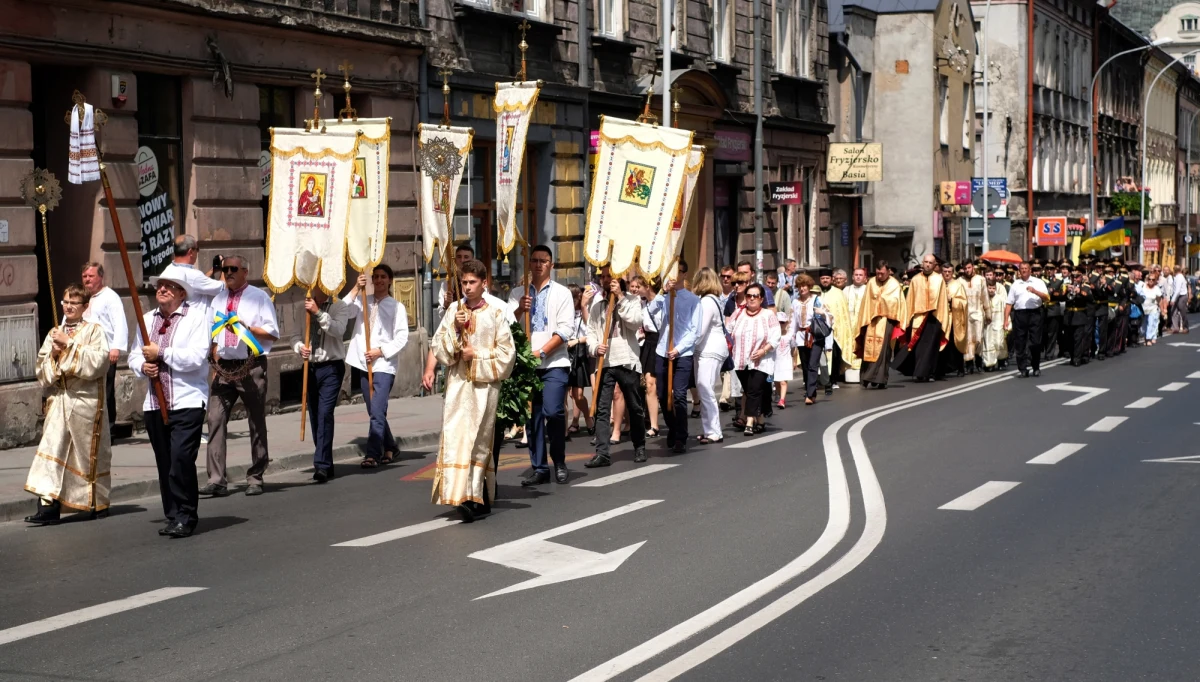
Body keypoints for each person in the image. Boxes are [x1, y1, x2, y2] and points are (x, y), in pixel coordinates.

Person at [431, 259, 516, 522]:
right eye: (464, 282)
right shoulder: (453, 312)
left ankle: (476, 497)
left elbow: (507, 354)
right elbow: (439, 349)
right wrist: (456, 330)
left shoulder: (495, 314)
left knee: (478, 442)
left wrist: (475, 354)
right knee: (457, 440)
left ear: (484, 284)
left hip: (484, 389)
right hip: (458, 387)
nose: (467, 287)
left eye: (472, 282)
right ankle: (460, 495)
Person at [23, 283, 113, 525]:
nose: (69, 306)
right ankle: (47, 506)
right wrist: (53, 353)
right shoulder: (55, 332)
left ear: (85, 306)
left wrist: (70, 344)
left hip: (87, 403)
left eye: (74, 303)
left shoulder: (95, 331)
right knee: (51, 451)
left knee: (85, 456)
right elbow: (42, 371)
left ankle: (97, 501)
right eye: (66, 302)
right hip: (61, 400)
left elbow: (99, 363)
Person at [129, 271, 210, 538]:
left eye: (169, 286)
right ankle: (173, 514)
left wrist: (162, 353)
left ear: (182, 293)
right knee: (165, 462)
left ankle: (187, 515)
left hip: (186, 401)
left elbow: (196, 357)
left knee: (181, 459)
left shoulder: (196, 318)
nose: (162, 289)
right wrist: (143, 365)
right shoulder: (147, 320)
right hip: (155, 403)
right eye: (160, 285)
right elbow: (133, 355)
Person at [202, 256, 279, 497]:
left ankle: (255, 475)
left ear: (245, 271)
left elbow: (272, 333)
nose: (227, 273)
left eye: (233, 269)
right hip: (224, 367)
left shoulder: (259, 297)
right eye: (225, 270)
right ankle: (216, 479)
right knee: (215, 419)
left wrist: (246, 327)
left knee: (256, 420)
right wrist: (213, 358)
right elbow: (211, 333)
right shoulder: (218, 299)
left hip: (251, 366)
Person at [511, 245, 575, 485]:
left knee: (553, 411)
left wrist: (543, 351)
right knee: (532, 416)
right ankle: (539, 467)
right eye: (535, 260)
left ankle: (559, 460)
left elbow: (566, 328)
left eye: (544, 261)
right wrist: (520, 309)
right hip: (527, 365)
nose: (538, 264)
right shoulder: (518, 293)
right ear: (530, 264)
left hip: (554, 362)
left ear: (551, 265)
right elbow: (507, 326)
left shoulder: (562, 293)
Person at [345, 263, 410, 468]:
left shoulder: (396, 306)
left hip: (383, 364)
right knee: (374, 409)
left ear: (389, 280)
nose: (379, 280)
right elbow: (344, 311)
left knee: (377, 409)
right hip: (364, 363)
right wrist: (356, 288)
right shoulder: (364, 300)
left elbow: (402, 337)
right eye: (376, 277)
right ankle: (390, 445)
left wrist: (380, 351)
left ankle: (372, 454)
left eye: (383, 277)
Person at [585, 266, 649, 466]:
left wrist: (620, 297)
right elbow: (591, 333)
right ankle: (602, 452)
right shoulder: (598, 306)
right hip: (606, 362)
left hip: (626, 359)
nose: (605, 280)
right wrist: (596, 348)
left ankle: (639, 445)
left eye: (609, 276)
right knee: (603, 409)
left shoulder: (631, 300)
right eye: (602, 277)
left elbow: (634, 322)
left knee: (634, 405)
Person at [294, 288, 354, 482]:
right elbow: (294, 336)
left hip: (331, 367)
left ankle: (321, 464)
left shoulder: (339, 306)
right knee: (316, 416)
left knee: (325, 413)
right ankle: (326, 461)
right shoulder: (301, 307)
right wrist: (299, 348)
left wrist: (318, 313)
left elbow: (338, 330)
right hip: (310, 368)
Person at [647, 260, 702, 453]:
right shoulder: (664, 296)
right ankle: (673, 427)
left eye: (678, 272)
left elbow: (695, 330)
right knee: (662, 395)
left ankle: (681, 436)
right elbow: (650, 311)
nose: (674, 276)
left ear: (684, 274)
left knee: (679, 395)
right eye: (671, 272)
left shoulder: (693, 300)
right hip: (662, 350)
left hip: (682, 352)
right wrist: (662, 292)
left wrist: (678, 348)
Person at [81, 262, 128, 434]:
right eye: (85, 276)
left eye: (91, 276)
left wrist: (116, 348)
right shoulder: (82, 297)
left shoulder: (110, 297)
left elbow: (120, 323)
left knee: (105, 391)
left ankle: (108, 430)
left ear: (100, 277)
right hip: (85, 352)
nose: (87, 280)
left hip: (104, 352)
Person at [729, 283, 780, 434]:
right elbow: (727, 330)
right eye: (748, 296)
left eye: (755, 296)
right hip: (740, 360)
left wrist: (764, 351)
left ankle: (749, 421)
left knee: (754, 390)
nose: (751, 299)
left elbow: (776, 336)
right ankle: (761, 419)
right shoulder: (738, 313)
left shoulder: (768, 315)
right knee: (751, 389)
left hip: (761, 360)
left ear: (761, 298)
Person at [893, 254, 950, 382]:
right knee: (918, 347)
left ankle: (929, 372)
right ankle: (919, 372)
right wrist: (907, 318)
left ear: (935, 265)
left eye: (931, 263)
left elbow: (942, 302)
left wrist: (942, 319)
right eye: (926, 262)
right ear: (922, 263)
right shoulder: (916, 280)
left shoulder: (939, 280)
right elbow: (910, 300)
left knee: (931, 347)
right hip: (918, 317)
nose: (928, 264)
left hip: (934, 318)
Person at [690, 267, 730, 444]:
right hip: (711, 348)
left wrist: (686, 346)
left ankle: (714, 431)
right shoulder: (714, 299)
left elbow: (700, 330)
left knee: (705, 387)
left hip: (710, 349)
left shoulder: (707, 302)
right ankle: (709, 430)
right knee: (704, 388)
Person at [855, 262, 907, 388]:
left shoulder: (894, 284)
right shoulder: (871, 283)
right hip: (871, 320)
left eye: (882, 273)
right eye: (877, 273)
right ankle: (866, 377)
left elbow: (898, 303)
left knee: (883, 350)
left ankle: (880, 379)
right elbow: (866, 302)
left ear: (888, 271)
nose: (879, 276)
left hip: (887, 320)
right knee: (869, 347)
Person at [790, 275, 830, 404]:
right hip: (802, 337)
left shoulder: (816, 300)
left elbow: (829, 317)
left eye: (804, 286)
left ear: (809, 287)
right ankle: (810, 391)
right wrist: (791, 338)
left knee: (813, 365)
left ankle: (810, 393)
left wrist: (823, 313)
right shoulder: (795, 302)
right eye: (800, 286)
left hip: (815, 336)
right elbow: (793, 322)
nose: (802, 289)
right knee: (806, 366)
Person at [1005, 261, 1050, 378]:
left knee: (1035, 342)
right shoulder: (1015, 284)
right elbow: (1009, 303)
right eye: (1022, 269)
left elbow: (1047, 298)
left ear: (1030, 270)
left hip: (1035, 314)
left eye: (1026, 268)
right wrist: (1006, 319)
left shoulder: (1038, 282)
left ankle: (1036, 367)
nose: (1024, 270)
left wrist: (1035, 291)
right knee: (1020, 342)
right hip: (1020, 315)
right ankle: (1023, 369)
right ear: (1019, 271)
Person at [632, 275, 662, 437]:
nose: (636, 290)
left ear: (647, 286)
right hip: (649, 342)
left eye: (639, 286)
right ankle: (654, 424)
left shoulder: (662, 301)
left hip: (662, 340)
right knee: (649, 383)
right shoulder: (641, 303)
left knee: (661, 385)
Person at [169, 235, 226, 316]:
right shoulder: (194, 275)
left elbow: (195, 284)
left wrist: (211, 271)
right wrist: (224, 267)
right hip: (198, 324)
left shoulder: (169, 269)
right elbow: (222, 288)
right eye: (197, 249)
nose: (197, 252)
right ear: (190, 252)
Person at [565, 284, 594, 436]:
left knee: (578, 394)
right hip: (565, 353)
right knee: (568, 394)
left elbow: (590, 333)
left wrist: (576, 341)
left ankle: (588, 417)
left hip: (579, 353)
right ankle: (566, 426)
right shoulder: (563, 314)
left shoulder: (583, 313)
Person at [822, 269, 853, 390]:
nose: (825, 280)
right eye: (823, 278)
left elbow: (843, 313)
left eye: (827, 278)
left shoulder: (838, 293)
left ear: (831, 279)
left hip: (834, 330)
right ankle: (822, 379)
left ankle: (833, 379)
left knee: (834, 355)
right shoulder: (816, 292)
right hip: (819, 330)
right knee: (820, 356)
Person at [940, 263, 969, 378]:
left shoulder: (957, 285)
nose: (947, 274)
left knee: (955, 342)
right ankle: (941, 370)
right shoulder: (938, 284)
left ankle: (960, 368)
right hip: (941, 318)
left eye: (949, 272)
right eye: (945, 271)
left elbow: (964, 302)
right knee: (942, 344)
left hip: (954, 318)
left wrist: (952, 300)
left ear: (952, 273)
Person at [962, 261, 988, 373]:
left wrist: (988, 313)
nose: (967, 270)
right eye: (965, 268)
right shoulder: (960, 281)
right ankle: (969, 364)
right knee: (968, 340)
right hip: (965, 315)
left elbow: (985, 296)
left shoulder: (981, 279)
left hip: (978, 313)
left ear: (973, 267)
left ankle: (978, 361)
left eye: (969, 267)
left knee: (978, 338)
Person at [1064, 266, 1093, 366]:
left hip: (1080, 316)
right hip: (1069, 316)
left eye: (1077, 277)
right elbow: (1059, 297)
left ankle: (1077, 358)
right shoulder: (1066, 286)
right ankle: (1072, 356)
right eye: (1073, 276)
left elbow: (1090, 298)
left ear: (1081, 277)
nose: (1075, 279)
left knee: (1078, 338)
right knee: (1069, 338)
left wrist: (1079, 291)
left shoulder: (1085, 287)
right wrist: (1065, 292)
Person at [979, 280, 1008, 371]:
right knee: (988, 344)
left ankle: (1001, 361)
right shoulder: (982, 299)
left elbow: (1006, 312)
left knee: (999, 343)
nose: (991, 290)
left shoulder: (1000, 299)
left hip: (998, 324)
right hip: (987, 326)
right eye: (989, 288)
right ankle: (989, 364)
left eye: (993, 288)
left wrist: (1007, 323)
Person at [1141, 270, 1165, 346]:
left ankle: (1149, 339)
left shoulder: (1156, 289)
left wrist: (1162, 310)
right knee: (1143, 325)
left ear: (1155, 281)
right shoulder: (1143, 286)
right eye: (1149, 279)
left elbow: (1159, 300)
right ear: (1147, 280)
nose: (1151, 281)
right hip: (1143, 309)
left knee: (1151, 324)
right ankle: (1145, 337)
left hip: (1153, 309)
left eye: (1153, 280)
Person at [1171, 265, 1190, 333]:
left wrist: (1173, 299)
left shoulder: (1179, 277)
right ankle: (1175, 328)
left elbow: (1178, 290)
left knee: (1182, 312)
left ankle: (1185, 327)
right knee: (1174, 312)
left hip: (1181, 296)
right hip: (1177, 296)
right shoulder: (1177, 277)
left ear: (1175, 270)